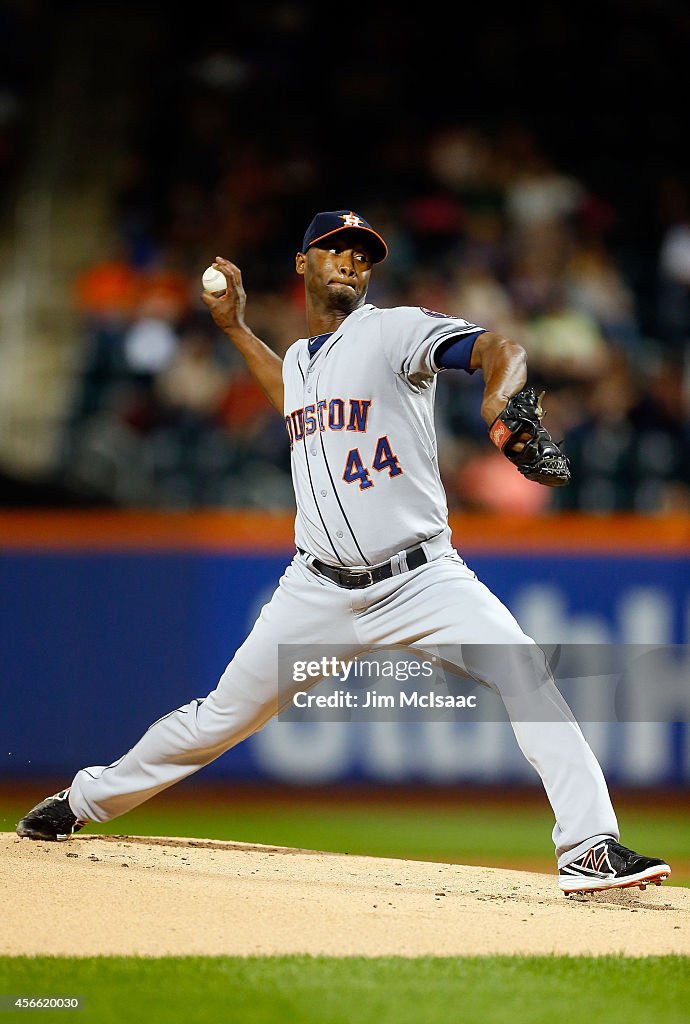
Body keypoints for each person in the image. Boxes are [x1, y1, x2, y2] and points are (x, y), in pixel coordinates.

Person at [17, 209, 671, 896]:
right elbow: (292, 398)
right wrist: (236, 328)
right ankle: (84, 801)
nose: (353, 262)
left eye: (363, 254)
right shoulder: (303, 359)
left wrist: (500, 408)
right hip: (318, 591)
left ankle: (588, 846)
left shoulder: (392, 331)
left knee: (525, 673)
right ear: (302, 264)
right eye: (336, 250)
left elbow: (497, 347)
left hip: (422, 579)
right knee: (218, 718)